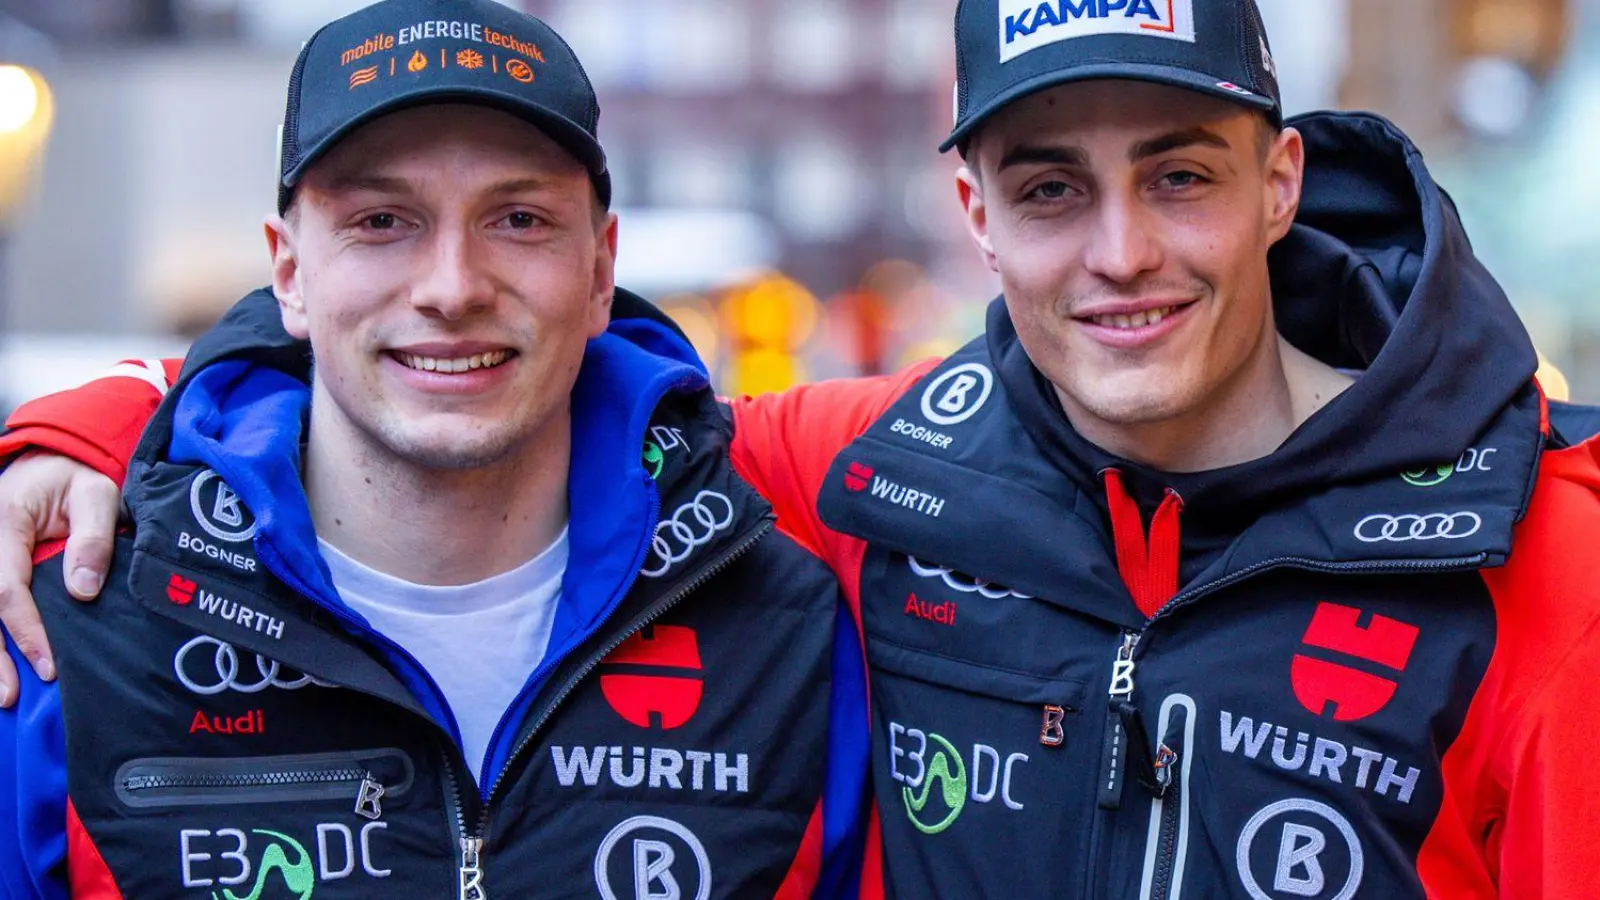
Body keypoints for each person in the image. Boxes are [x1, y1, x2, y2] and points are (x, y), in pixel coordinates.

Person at [2, 0, 1598, 896]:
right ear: (974, 211)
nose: (1120, 251)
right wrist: (103, 424)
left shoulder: (1544, 543)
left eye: (1179, 176)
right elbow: (498, 391)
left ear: (1282, 184)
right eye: (1050, 188)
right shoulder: (876, 470)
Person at [0, 0, 870, 896]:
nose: (452, 288)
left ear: (602, 269)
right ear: (290, 274)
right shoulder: (71, 625)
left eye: (519, 219)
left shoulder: (793, 622)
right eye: (382, 221)